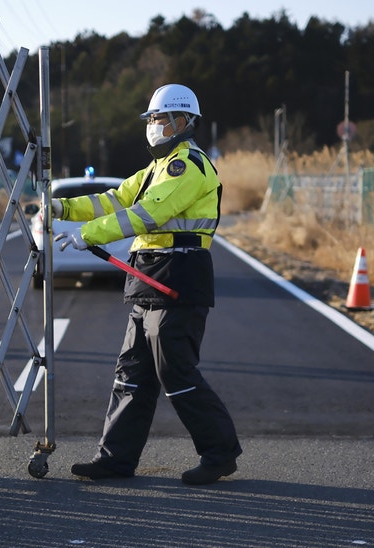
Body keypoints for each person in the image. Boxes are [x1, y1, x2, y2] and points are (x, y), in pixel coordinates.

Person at [50, 83, 242, 485]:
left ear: (183, 121)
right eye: (151, 119)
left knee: (176, 371)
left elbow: (147, 214)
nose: (153, 125)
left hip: (180, 276)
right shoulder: (156, 168)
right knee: (131, 372)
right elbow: (113, 199)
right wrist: (62, 207)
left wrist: (90, 234)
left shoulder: (187, 165)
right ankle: (115, 459)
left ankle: (219, 453)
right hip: (150, 277)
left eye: (159, 118)